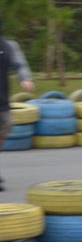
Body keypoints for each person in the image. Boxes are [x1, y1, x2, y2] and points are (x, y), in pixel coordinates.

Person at [0, 14, 36, 192]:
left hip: (2, 99)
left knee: (6, 127)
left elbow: (20, 64)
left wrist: (25, 79)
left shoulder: (8, 45)